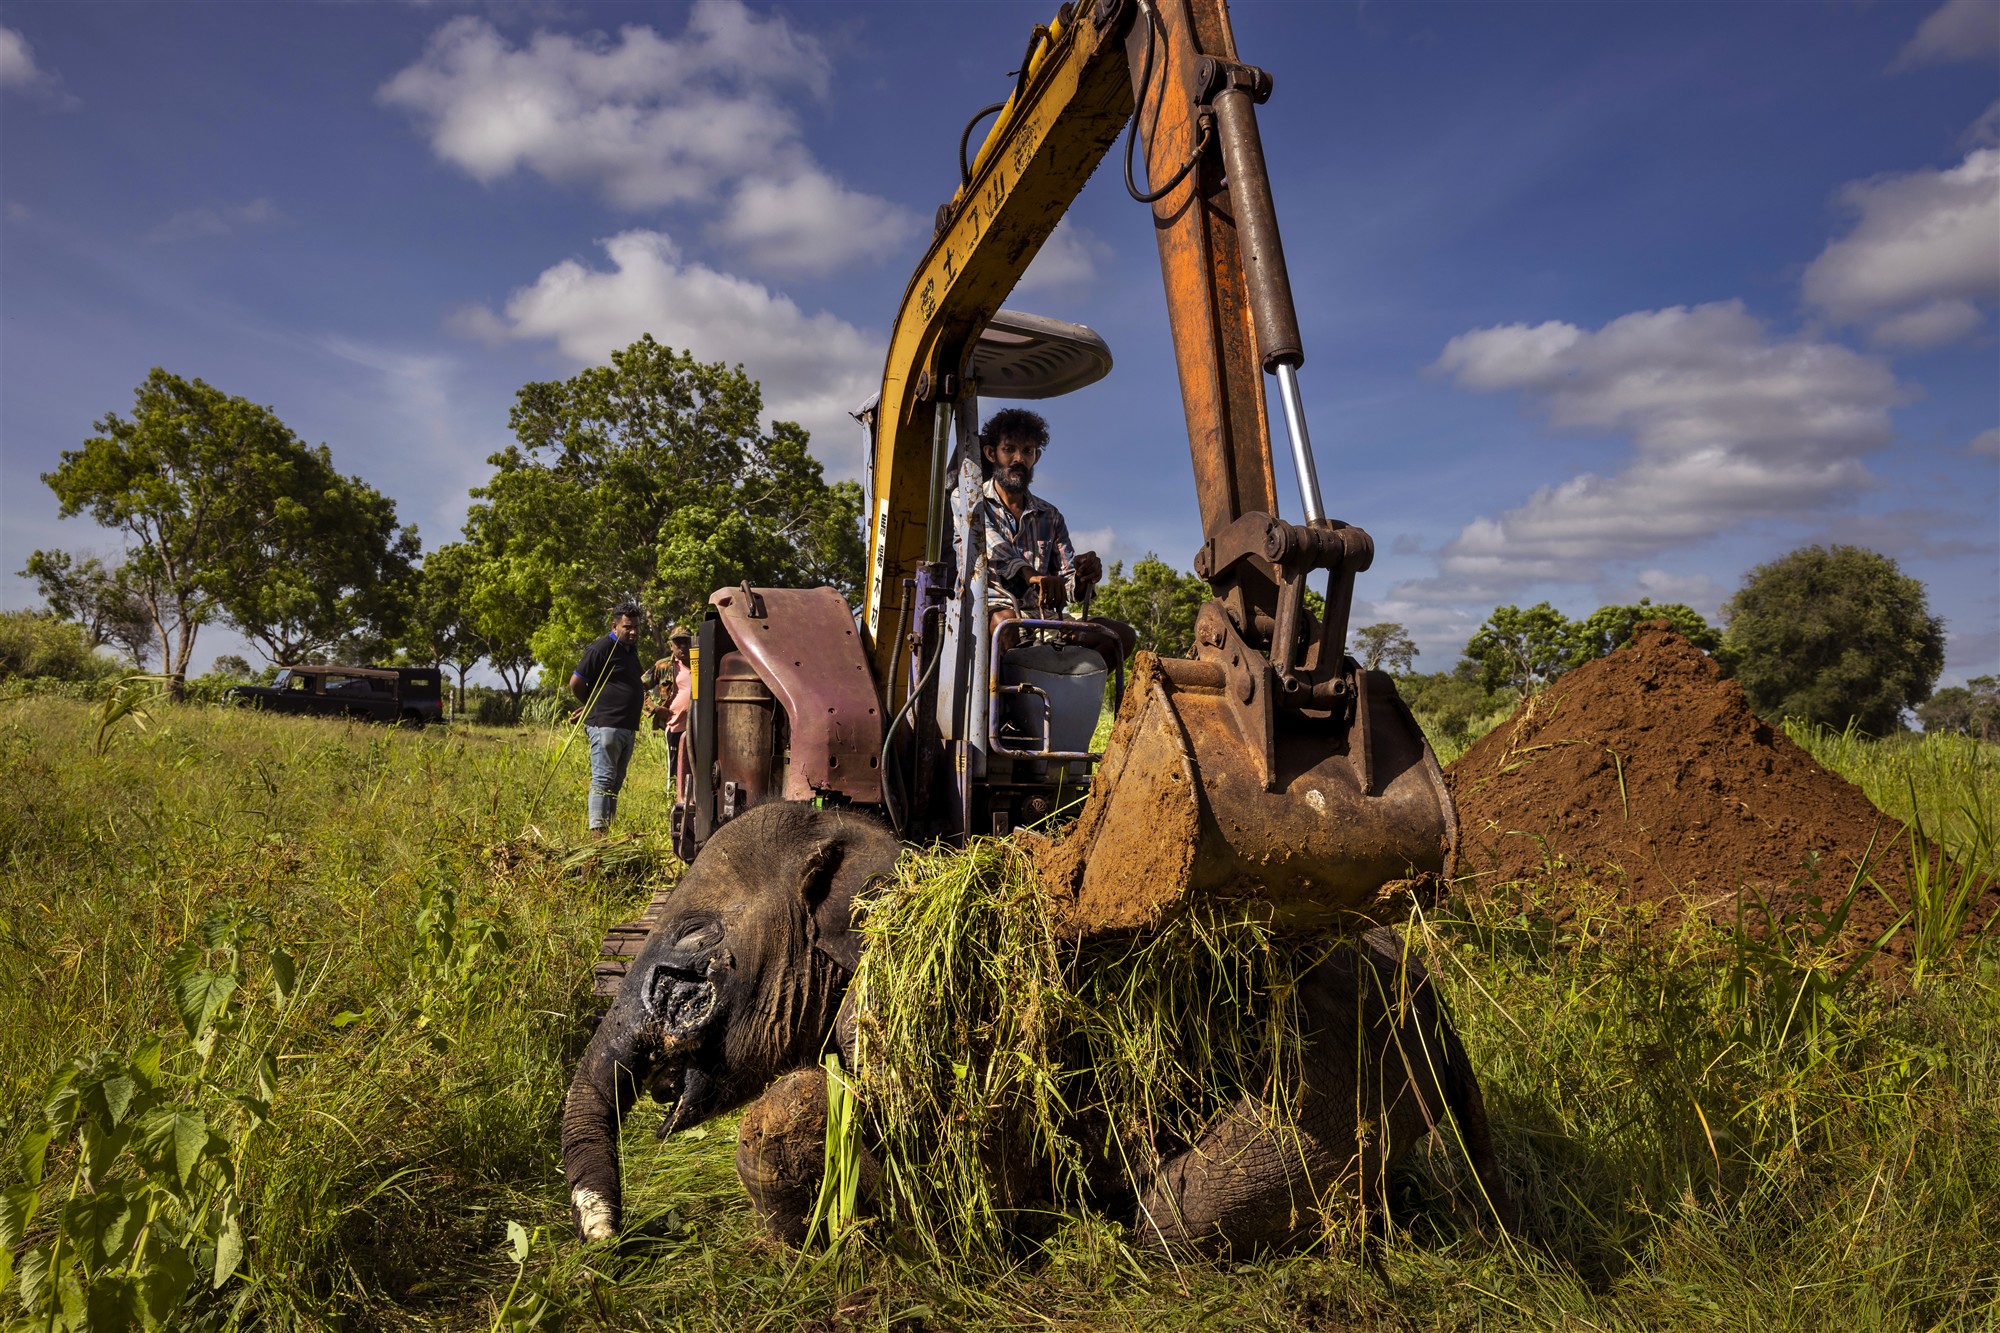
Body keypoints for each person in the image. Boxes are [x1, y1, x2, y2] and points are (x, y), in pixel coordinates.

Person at [974, 408, 1135, 662]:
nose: (1019, 458)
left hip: (1043, 620)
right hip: (990, 615)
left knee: (1119, 636)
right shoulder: (970, 500)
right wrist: (1032, 575)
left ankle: (1070, 696)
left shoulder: (1050, 515)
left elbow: (1068, 583)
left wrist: (1083, 577)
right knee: (1006, 625)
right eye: (1009, 449)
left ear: (1035, 457)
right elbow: (995, 548)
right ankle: (1003, 701)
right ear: (991, 453)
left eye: (1027, 451)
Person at [570, 601, 647, 836]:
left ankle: (608, 833)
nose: (633, 632)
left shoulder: (630, 651)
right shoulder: (601, 648)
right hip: (605, 725)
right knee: (603, 780)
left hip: (626, 726)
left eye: (635, 627)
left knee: (615, 782)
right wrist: (590, 706)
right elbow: (576, 682)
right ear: (614, 626)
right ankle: (598, 835)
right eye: (627, 627)